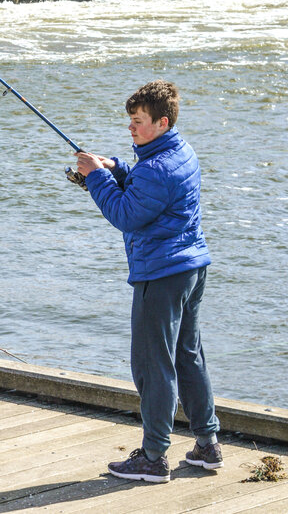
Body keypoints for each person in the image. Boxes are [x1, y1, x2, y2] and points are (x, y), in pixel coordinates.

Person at [75, 80, 221, 483]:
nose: (131, 128)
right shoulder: (179, 151)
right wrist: (116, 166)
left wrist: (94, 178)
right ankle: (207, 445)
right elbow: (145, 183)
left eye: (138, 122)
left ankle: (154, 457)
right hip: (191, 267)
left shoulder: (156, 168)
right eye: (130, 121)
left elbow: (126, 213)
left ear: (162, 121)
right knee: (187, 354)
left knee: (153, 365)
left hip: (162, 274)